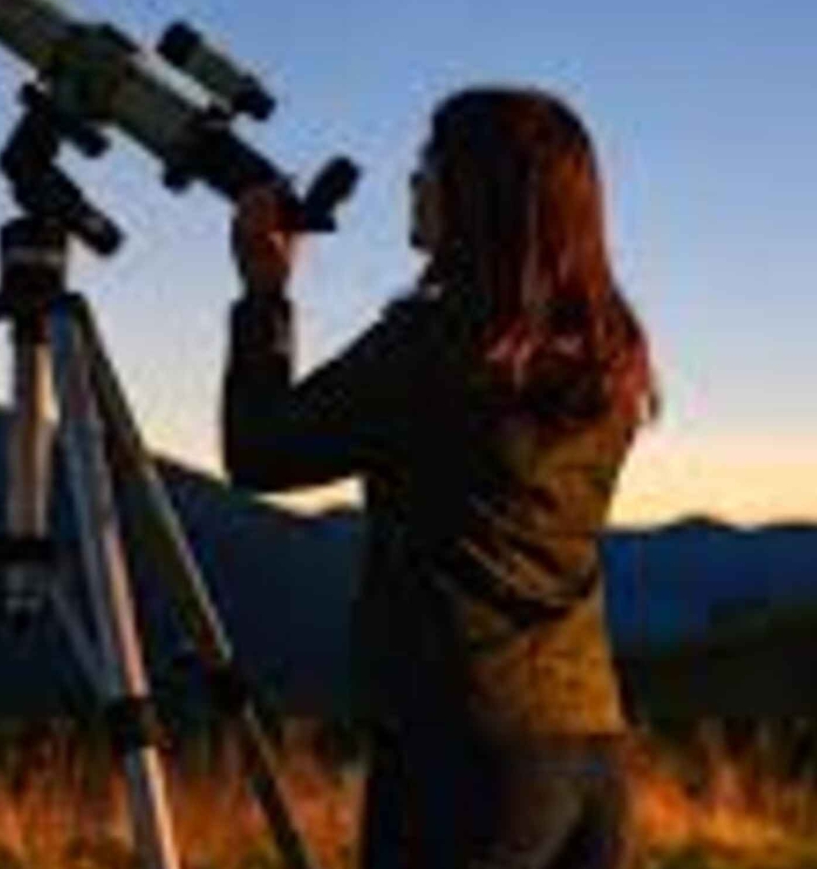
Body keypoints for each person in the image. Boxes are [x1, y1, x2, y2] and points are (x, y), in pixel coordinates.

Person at [222, 87, 656, 869]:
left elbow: (261, 450)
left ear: (482, 192)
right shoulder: (604, 352)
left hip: (461, 759)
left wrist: (265, 294)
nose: (414, 179)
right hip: (587, 745)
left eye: (433, 162)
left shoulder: (434, 348)